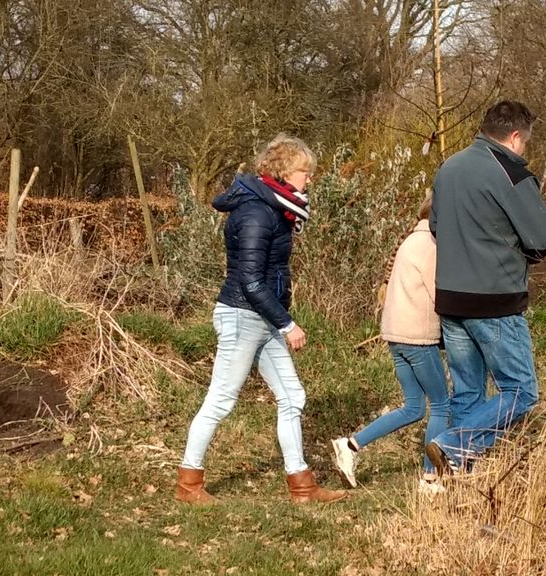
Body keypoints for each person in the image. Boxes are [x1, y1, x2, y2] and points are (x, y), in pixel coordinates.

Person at [175, 134, 346, 504]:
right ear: (284, 172)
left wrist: (278, 320)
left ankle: (301, 486)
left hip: (262, 317)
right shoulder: (256, 213)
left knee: (292, 396)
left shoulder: (275, 209)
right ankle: (188, 484)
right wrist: (287, 323)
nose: (310, 179)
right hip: (243, 316)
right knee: (221, 399)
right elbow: (251, 281)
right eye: (305, 172)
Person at [424, 100, 546, 476]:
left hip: (450, 298)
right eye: (525, 143)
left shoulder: (448, 168)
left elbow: (436, 227)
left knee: (467, 393)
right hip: (494, 300)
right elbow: (543, 237)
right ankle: (452, 445)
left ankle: (457, 478)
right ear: (515, 137)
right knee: (522, 392)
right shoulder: (510, 172)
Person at [330, 194, 451, 494]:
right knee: (441, 405)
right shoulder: (430, 247)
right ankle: (430, 479)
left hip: (396, 336)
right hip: (417, 337)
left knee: (413, 407)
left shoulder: (410, 241)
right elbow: (441, 296)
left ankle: (350, 445)